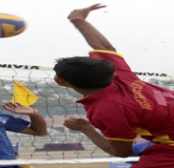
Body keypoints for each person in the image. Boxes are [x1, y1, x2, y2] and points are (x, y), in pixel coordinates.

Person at [53, 3, 174, 168]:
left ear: (59, 80)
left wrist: (85, 128)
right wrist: (77, 19)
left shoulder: (107, 110)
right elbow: (105, 47)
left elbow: (122, 152)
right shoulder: (120, 75)